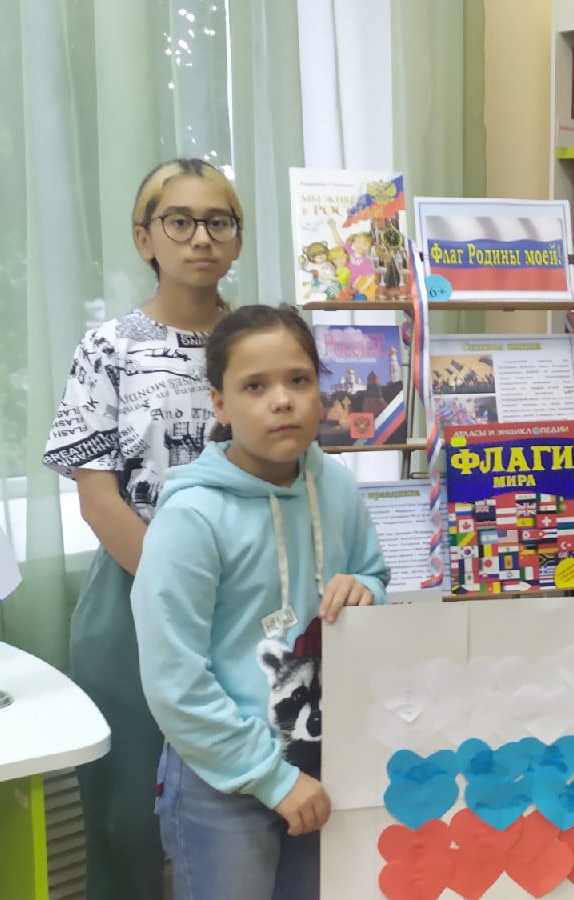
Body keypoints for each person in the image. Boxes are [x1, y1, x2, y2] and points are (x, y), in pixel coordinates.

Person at [131, 304, 390, 900]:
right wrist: (270, 779)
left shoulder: (336, 486)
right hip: (223, 781)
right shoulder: (192, 517)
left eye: (299, 380)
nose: (282, 401)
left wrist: (366, 589)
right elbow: (174, 680)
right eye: (255, 386)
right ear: (219, 403)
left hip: (325, 762)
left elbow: (373, 576)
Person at [41, 157, 244, 900]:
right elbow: (98, 500)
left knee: (242, 803)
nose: (201, 238)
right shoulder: (110, 347)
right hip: (134, 595)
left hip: (250, 592)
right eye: (179, 221)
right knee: (127, 819)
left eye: (218, 221)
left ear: (237, 237)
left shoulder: (258, 340)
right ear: (144, 238)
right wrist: (178, 591)